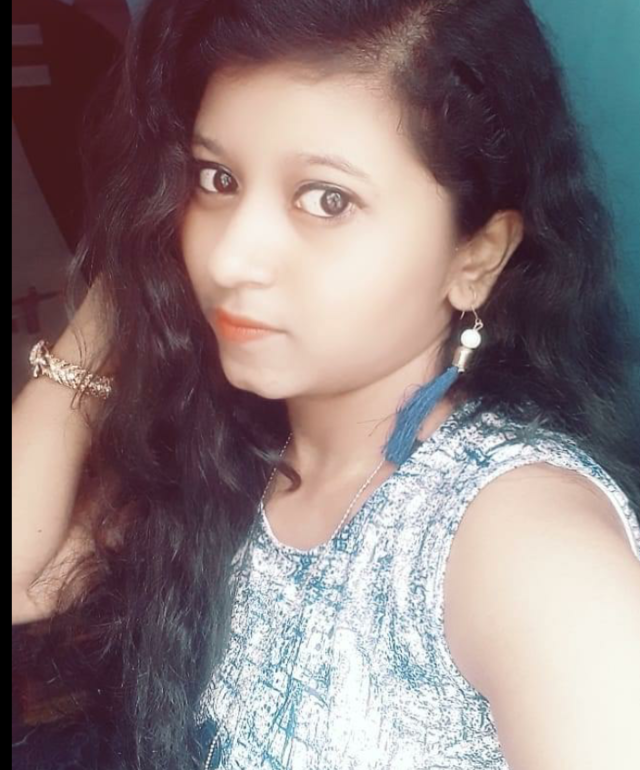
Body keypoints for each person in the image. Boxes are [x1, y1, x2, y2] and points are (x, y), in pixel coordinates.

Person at [11, 1, 640, 768]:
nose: (229, 257)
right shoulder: (231, 451)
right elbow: (22, 576)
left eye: (327, 199)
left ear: (476, 257)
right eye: (217, 179)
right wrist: (134, 274)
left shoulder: (520, 540)